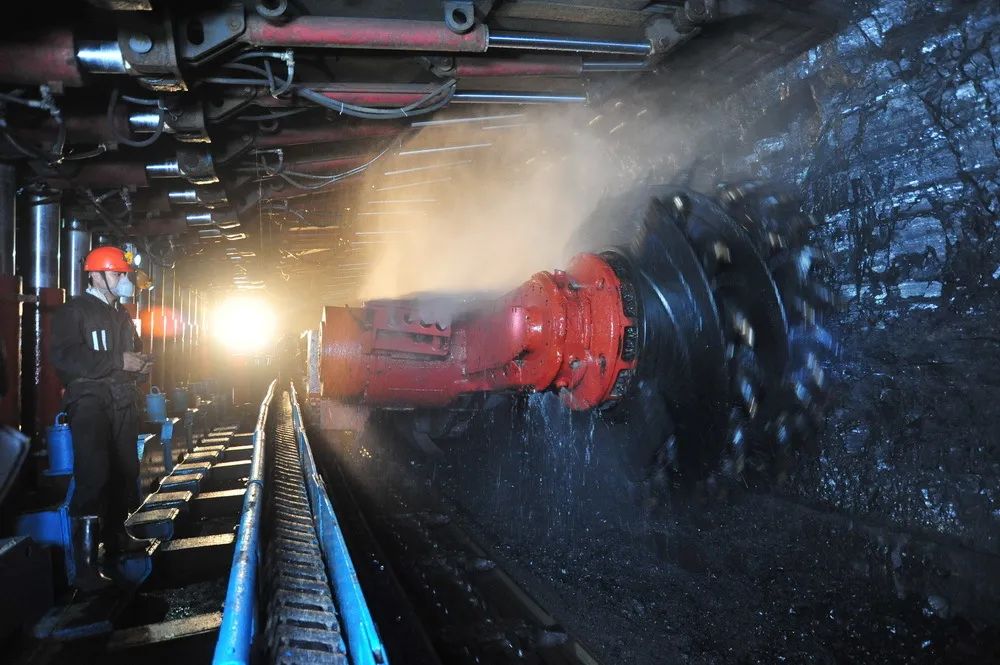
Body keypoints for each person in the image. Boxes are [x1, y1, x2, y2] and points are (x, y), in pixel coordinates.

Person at [50, 245, 152, 586]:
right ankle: (85, 566)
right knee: (94, 475)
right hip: (90, 402)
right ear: (95, 275)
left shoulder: (121, 314)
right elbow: (66, 358)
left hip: (121, 399)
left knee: (125, 469)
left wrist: (138, 364)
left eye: (124, 274)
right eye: (117, 273)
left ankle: (116, 536)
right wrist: (119, 361)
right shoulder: (74, 311)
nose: (123, 279)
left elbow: (131, 351)